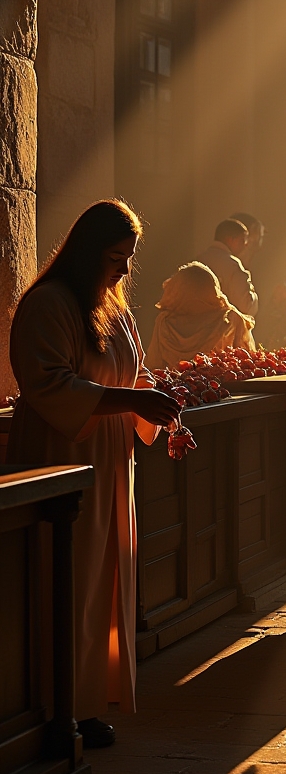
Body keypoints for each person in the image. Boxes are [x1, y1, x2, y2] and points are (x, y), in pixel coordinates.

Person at [6, 201, 183, 746]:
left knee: (105, 582)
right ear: (86, 252)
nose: (124, 271)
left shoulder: (114, 307)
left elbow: (133, 373)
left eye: (128, 259)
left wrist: (158, 412)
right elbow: (49, 384)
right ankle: (57, 705)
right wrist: (130, 399)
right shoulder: (49, 305)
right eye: (114, 258)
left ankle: (86, 700)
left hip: (109, 460)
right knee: (70, 584)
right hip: (62, 457)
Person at [147, 262, 256, 370]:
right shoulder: (231, 319)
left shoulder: (164, 323)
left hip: (172, 386)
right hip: (219, 386)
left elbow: (153, 367)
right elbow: (248, 366)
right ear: (213, 290)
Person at [200, 219, 258, 321]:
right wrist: (253, 293)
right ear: (230, 240)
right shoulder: (232, 265)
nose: (246, 244)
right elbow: (246, 306)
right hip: (222, 331)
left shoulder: (199, 260)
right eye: (242, 240)